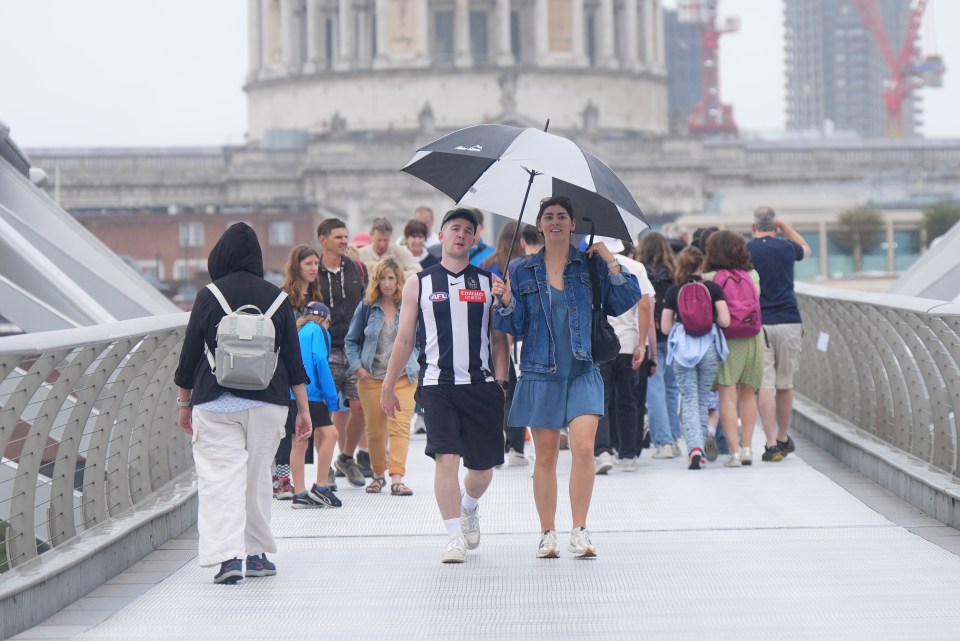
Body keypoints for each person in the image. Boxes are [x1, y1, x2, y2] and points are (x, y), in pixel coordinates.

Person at [495, 196, 641, 559]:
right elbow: (514, 326)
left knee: (583, 449)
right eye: (549, 217)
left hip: (582, 370)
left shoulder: (588, 266)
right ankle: (547, 533)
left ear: (574, 224)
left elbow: (627, 298)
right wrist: (506, 301)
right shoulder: (523, 270)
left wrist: (610, 260)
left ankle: (580, 529)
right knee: (544, 457)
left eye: (563, 216)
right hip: (540, 372)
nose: (556, 222)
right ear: (539, 225)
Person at [175, 222, 311, 584]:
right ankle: (258, 555)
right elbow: (293, 362)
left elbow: (189, 357)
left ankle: (228, 559)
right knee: (257, 478)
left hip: (215, 400)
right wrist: (303, 411)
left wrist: (184, 403)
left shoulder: (208, 296)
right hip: (268, 402)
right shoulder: (279, 299)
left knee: (221, 479)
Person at [380, 207, 510, 564]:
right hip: (438, 385)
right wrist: (388, 385)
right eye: (455, 228)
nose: (461, 235)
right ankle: (453, 536)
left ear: (474, 238)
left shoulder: (488, 283)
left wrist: (501, 381)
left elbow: (500, 339)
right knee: (446, 459)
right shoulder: (419, 282)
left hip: (481, 384)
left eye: (468, 230)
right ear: (442, 235)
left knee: (482, 471)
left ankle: (468, 507)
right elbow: (404, 338)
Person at [345, 258, 420, 496]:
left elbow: (420, 340)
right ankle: (378, 476)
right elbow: (351, 340)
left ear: (399, 280)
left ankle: (397, 477)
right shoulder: (367, 306)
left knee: (400, 426)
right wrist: (357, 366)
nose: (387, 283)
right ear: (376, 281)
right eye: (383, 278)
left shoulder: (408, 306)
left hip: (403, 376)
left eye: (391, 278)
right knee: (375, 431)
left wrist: (417, 362)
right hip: (371, 378)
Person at [747, 207, 812, 462]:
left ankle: (770, 442)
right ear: (775, 227)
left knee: (765, 384)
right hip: (788, 320)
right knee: (784, 384)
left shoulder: (747, 250)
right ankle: (784, 437)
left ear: (753, 227)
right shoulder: (787, 247)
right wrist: (784, 226)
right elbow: (805, 248)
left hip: (759, 323)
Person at [660, 246, 730, 470]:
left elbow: (664, 327)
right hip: (708, 346)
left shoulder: (674, 291)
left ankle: (695, 448)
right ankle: (698, 446)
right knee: (702, 398)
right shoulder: (713, 288)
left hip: (682, 348)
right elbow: (726, 321)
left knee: (688, 398)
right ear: (702, 265)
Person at [591, 238, 654, 474]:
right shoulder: (635, 267)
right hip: (628, 343)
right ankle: (628, 454)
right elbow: (645, 306)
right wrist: (642, 345)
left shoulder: (592, 266)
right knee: (628, 400)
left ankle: (604, 451)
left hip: (600, 343)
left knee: (601, 399)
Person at [704, 230, 765, 467]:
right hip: (753, 337)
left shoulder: (709, 276)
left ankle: (734, 452)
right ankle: (749, 448)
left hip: (725, 339)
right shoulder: (752, 275)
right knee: (748, 396)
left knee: (727, 398)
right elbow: (756, 301)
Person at [317, 218, 369, 488]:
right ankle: (324, 468)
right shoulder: (311, 271)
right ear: (323, 240)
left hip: (353, 348)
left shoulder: (357, 269)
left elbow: (368, 303)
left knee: (360, 406)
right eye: (338, 237)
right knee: (323, 410)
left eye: (346, 237)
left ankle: (346, 457)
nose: (344, 242)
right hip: (323, 349)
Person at [273, 245, 324, 498]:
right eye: (309, 264)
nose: (314, 268)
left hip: (310, 372)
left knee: (304, 426)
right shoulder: (283, 297)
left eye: (316, 263)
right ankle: (281, 478)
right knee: (285, 424)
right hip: (285, 368)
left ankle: (298, 479)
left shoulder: (317, 298)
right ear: (297, 266)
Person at [289, 302, 343, 508]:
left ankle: (299, 493)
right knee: (331, 434)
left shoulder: (298, 330)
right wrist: (331, 398)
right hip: (311, 393)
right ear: (326, 319)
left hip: (293, 393)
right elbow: (320, 360)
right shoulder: (319, 330)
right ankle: (321, 487)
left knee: (300, 440)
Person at [639, 232, 683, 460]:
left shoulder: (640, 274)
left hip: (649, 337)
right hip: (672, 337)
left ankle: (663, 442)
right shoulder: (675, 275)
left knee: (653, 390)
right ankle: (674, 439)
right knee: (671, 389)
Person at [357, 217, 421, 278]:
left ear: (390, 236)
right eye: (379, 240)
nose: (382, 244)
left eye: (386, 240)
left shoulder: (401, 252)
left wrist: (396, 275)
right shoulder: (359, 254)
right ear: (371, 235)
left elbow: (417, 270)